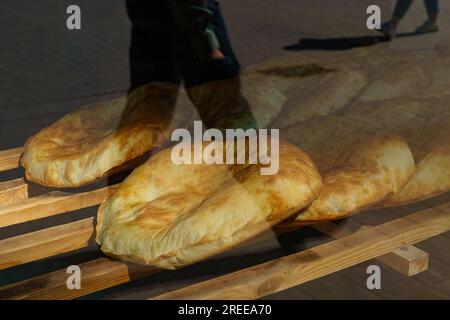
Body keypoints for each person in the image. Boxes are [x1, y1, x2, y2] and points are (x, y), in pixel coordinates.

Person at [125, 0, 256, 130]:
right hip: (193, 32)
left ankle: (134, 144)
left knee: (146, 111)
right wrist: (209, 46)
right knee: (227, 112)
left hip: (150, 29)